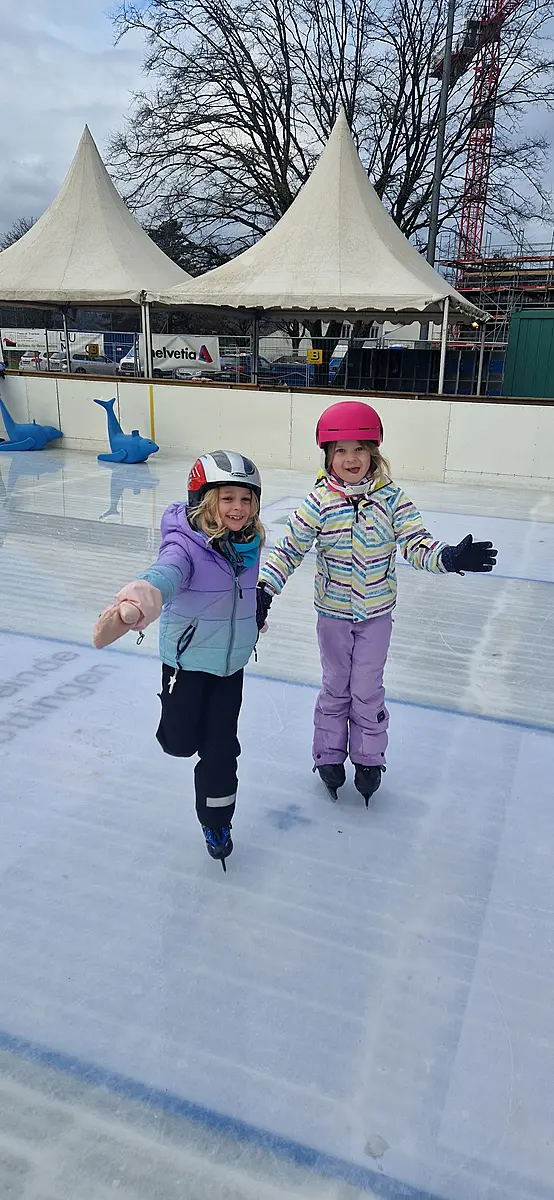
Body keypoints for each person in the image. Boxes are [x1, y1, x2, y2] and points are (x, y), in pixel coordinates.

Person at [257, 401, 497, 806]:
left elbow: (417, 544)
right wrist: (264, 590)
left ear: (374, 452)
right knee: (336, 686)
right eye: (340, 451)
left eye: (359, 449)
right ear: (328, 456)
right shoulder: (318, 502)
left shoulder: (391, 499)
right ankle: (328, 755)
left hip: (376, 617)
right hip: (332, 615)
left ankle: (369, 758)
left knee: (367, 688)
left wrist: (449, 558)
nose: (351, 459)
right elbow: (289, 549)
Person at [93, 450, 266, 870]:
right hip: (187, 665)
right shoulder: (185, 545)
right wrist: (136, 604)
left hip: (230, 666)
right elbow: (164, 576)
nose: (237, 509)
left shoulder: (249, 542)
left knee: (221, 749)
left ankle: (217, 822)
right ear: (205, 500)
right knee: (181, 742)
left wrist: (256, 611)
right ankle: (176, 725)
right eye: (226, 499)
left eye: (246, 500)